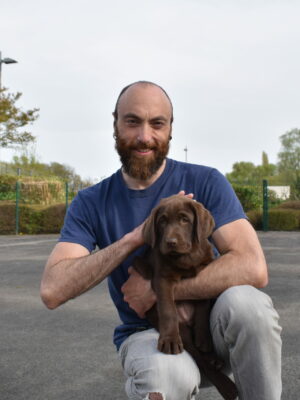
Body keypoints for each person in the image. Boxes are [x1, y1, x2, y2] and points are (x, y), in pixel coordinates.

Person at [40, 81, 282, 400]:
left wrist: (159, 289)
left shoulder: (205, 181)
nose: (144, 136)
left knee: (250, 307)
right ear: (115, 124)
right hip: (148, 334)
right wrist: (133, 239)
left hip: (213, 327)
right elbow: (52, 290)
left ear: (170, 129)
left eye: (157, 123)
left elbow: (253, 267)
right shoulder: (91, 202)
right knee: (166, 376)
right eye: (132, 121)